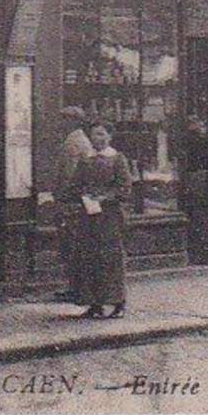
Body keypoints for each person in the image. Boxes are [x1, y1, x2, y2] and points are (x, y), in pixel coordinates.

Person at [70, 121, 133, 319]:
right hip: (89, 215)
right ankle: (94, 303)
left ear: (109, 136)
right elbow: (75, 185)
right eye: (95, 135)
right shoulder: (85, 160)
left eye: (102, 134)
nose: (98, 138)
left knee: (111, 258)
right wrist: (84, 195)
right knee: (90, 257)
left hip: (110, 216)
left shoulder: (117, 159)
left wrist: (105, 198)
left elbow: (125, 188)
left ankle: (118, 302)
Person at [54, 106, 95, 302]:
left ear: (74, 121)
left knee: (72, 245)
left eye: (64, 119)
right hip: (79, 200)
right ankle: (78, 286)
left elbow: (70, 175)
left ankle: (76, 287)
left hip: (72, 203)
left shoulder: (74, 142)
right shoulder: (80, 140)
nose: (61, 123)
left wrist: (63, 197)